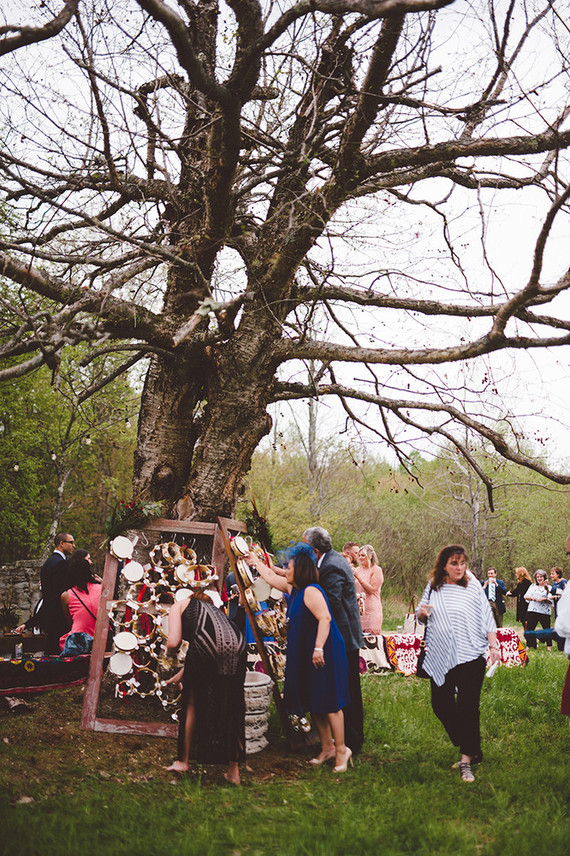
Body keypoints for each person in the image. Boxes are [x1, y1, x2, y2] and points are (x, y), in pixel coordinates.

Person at [246, 543, 352, 772]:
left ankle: (342, 750)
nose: (286, 570)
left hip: (324, 651)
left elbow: (325, 619)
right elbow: (271, 578)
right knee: (314, 701)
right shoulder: (294, 590)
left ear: (301, 570)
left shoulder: (312, 591)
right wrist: (255, 563)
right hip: (305, 652)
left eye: (290, 567)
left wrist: (318, 649)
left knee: (330, 703)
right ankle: (327, 748)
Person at [416, 544, 500, 784]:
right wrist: (423, 614)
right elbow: (421, 616)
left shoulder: (473, 586)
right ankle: (470, 745)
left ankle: (466, 760)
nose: (459, 567)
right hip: (441, 655)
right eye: (454, 563)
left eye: (463, 563)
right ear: (444, 564)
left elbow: (486, 616)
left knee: (467, 707)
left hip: (471, 655)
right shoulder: (434, 586)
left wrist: (493, 646)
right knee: (440, 704)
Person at [165, 590, 246, 784]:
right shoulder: (216, 612)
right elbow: (216, 646)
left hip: (206, 646)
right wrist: (184, 673)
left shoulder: (180, 604)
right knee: (233, 705)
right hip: (238, 643)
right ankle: (234, 772)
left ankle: (182, 761)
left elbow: (174, 641)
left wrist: (169, 654)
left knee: (192, 702)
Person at [302, 526, 364, 757]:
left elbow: (332, 603)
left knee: (347, 690)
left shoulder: (331, 567)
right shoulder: (329, 560)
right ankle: (343, 739)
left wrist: (310, 611)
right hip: (340, 635)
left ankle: (352, 742)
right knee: (345, 689)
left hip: (343, 638)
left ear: (315, 550)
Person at [14, 532, 75, 654]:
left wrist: (30, 622)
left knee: (51, 651)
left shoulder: (48, 563)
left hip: (49, 617)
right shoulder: (61, 564)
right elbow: (56, 595)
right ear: (62, 544)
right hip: (58, 619)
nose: (74, 545)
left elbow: (47, 596)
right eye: (71, 542)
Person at [60, 550, 102, 654]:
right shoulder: (101, 589)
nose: (91, 562)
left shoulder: (66, 595)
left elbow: (70, 621)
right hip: (101, 639)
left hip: (78, 644)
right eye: (89, 559)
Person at [353, 544, 384, 634]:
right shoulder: (357, 569)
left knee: (371, 640)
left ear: (370, 556)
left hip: (371, 611)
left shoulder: (376, 570)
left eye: (363, 555)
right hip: (358, 610)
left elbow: (371, 590)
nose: (360, 558)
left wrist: (358, 577)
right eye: (359, 555)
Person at [524, 570, 553, 635]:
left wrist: (545, 599)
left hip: (544, 612)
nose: (539, 578)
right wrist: (532, 598)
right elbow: (525, 596)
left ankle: (548, 645)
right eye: (537, 577)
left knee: (547, 630)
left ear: (544, 577)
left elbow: (551, 600)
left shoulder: (549, 587)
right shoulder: (533, 586)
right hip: (533, 610)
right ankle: (530, 645)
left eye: (541, 577)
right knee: (530, 630)